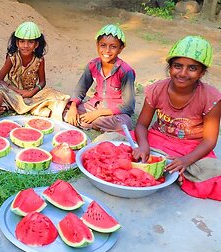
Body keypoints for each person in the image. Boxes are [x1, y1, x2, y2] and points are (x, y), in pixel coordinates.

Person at [132, 35, 221, 201]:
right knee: (110, 141)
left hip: (191, 147)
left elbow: (209, 141)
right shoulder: (157, 89)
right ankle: (174, 171)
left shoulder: (211, 97)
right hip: (156, 140)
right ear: (170, 67)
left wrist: (186, 161)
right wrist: (143, 146)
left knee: (214, 175)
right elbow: (142, 125)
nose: (183, 73)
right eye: (177, 66)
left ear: (202, 72)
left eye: (192, 68)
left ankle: (173, 169)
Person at [64, 24, 136, 132]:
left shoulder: (126, 71)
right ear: (97, 45)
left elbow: (128, 107)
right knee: (65, 109)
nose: (107, 51)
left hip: (113, 112)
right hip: (94, 106)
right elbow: (80, 89)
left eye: (113, 47)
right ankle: (94, 123)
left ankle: (89, 122)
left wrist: (98, 113)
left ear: (121, 49)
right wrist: (73, 106)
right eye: (103, 45)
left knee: (125, 124)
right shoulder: (92, 65)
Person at [0, 21, 69, 119]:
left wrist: (31, 92)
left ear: (36, 45)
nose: (25, 46)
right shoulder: (12, 57)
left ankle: (12, 107)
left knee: (53, 93)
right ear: (17, 43)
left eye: (30, 42)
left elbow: (42, 82)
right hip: (12, 93)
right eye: (22, 41)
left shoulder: (39, 60)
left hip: (31, 94)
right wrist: (16, 90)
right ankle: (31, 108)